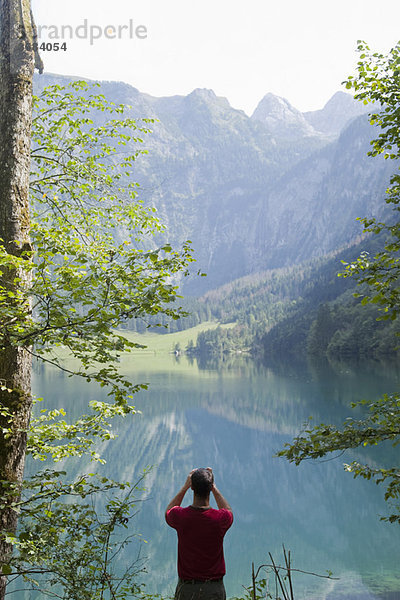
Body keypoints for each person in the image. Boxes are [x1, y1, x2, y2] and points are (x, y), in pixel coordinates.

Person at [165, 467, 233, 600]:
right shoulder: (220, 519)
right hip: (214, 589)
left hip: (187, 588)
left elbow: (169, 510)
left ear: (192, 488)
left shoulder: (181, 517)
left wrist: (185, 487)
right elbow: (228, 510)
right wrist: (213, 486)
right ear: (210, 488)